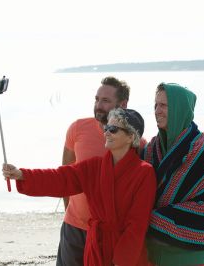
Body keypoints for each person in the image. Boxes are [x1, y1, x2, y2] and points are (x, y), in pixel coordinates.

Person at [3, 108, 157, 266]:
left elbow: (137, 224)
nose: (106, 133)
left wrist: (122, 261)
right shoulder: (94, 167)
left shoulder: (144, 172)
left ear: (131, 137)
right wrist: (22, 175)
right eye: (106, 128)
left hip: (127, 255)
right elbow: (60, 178)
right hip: (96, 250)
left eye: (113, 129)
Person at [141, 83, 204, 266]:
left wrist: (151, 217)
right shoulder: (151, 149)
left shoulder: (202, 153)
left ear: (179, 109)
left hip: (189, 255)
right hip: (153, 253)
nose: (157, 110)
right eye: (155, 105)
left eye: (163, 105)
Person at [58, 76, 135, 266]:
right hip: (74, 229)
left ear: (123, 105)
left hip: (108, 233)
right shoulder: (77, 129)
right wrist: (70, 213)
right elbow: (64, 175)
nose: (98, 105)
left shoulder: (135, 143)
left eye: (106, 101)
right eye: (97, 99)